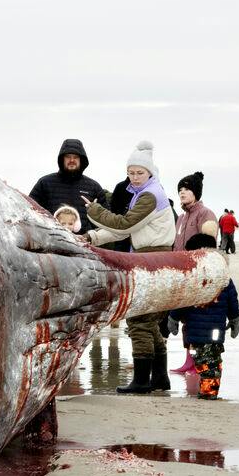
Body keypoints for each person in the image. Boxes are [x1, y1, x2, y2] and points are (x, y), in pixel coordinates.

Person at [83, 142, 178, 394]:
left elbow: (124, 226)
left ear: (150, 172)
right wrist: (92, 237)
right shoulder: (148, 192)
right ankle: (159, 378)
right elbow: (126, 229)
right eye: (131, 172)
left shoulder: (149, 195)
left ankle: (141, 381)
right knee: (149, 320)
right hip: (155, 260)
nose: (134, 177)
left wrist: (94, 210)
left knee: (138, 320)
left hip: (151, 260)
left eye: (139, 172)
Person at [176, 232, 239, 399]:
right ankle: (207, 390)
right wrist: (234, 318)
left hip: (199, 328)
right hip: (208, 328)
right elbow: (233, 299)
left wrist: (173, 317)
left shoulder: (194, 276)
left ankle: (209, 392)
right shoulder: (223, 275)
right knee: (207, 359)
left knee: (208, 360)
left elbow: (181, 299)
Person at [27, 139, 105, 233]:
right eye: (68, 157)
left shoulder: (94, 187)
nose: (72, 160)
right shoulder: (45, 183)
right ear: (62, 159)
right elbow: (29, 210)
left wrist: (89, 235)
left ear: (81, 160)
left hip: (85, 243)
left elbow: (105, 220)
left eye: (75, 157)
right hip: (52, 242)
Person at [173, 172, 213, 248]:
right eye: (180, 190)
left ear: (195, 192)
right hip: (179, 259)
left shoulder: (205, 213)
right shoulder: (181, 217)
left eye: (187, 189)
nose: (182, 192)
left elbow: (209, 245)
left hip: (194, 259)